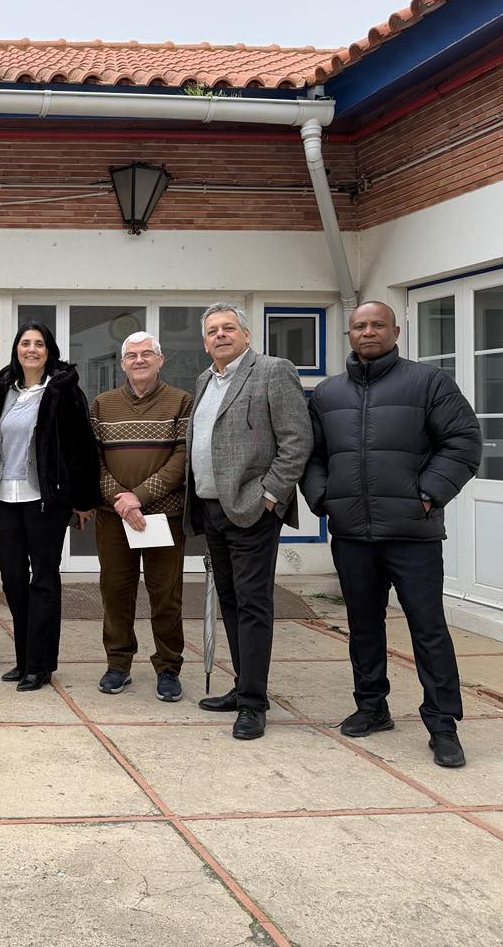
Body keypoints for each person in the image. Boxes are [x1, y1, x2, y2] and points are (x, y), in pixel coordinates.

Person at [302, 301, 482, 768]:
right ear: (349, 333)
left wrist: (428, 494)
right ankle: (371, 706)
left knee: (428, 628)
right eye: (359, 325)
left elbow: (463, 442)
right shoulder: (327, 394)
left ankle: (442, 724)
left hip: (412, 533)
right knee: (363, 625)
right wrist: (323, 497)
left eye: (377, 324)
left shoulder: (429, 383)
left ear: (396, 331)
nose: (368, 331)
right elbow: (312, 456)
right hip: (351, 533)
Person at [185, 303, 312, 740]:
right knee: (231, 602)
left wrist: (270, 496)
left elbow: (297, 440)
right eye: (212, 331)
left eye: (228, 328)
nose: (220, 335)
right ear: (206, 343)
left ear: (246, 334)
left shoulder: (274, 371)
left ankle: (254, 704)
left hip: (252, 509)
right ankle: (243, 687)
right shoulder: (205, 380)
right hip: (212, 508)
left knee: (254, 605)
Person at [0, 321, 99, 692]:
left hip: (45, 499)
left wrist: (83, 500)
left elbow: (82, 445)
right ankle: (24, 658)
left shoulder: (63, 389)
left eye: (39, 344)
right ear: (16, 349)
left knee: (44, 580)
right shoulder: (4, 387)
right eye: (25, 343)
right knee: (13, 578)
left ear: (49, 351)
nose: (31, 349)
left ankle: (40, 664)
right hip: (5, 496)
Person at [91, 332, 194, 701]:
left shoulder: (181, 401)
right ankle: (118, 665)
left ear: (160, 360)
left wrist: (140, 496)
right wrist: (121, 501)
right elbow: (92, 460)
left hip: (163, 517)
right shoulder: (102, 405)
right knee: (116, 593)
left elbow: (183, 457)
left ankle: (168, 668)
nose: (139, 360)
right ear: (122, 364)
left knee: (166, 595)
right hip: (114, 518)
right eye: (131, 355)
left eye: (147, 354)